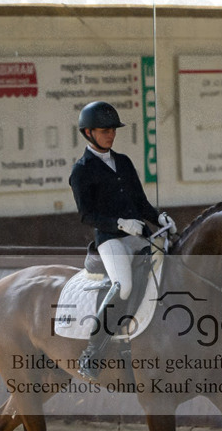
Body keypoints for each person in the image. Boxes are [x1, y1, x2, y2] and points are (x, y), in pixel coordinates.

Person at [69, 101, 176, 378]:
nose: (111, 135)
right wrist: (119, 223)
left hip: (140, 234)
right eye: (104, 130)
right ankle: (94, 351)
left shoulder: (124, 162)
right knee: (124, 285)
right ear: (88, 133)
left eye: (113, 130)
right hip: (110, 239)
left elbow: (140, 203)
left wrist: (158, 218)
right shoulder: (81, 170)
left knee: (172, 264)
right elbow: (86, 215)